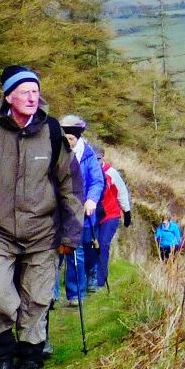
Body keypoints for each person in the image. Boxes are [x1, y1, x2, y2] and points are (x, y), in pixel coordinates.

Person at [0, 65, 83, 369]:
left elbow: (70, 187)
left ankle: (30, 359)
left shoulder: (51, 132)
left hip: (43, 233)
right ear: (9, 96)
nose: (33, 97)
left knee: (37, 300)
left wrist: (72, 234)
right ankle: (3, 358)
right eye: (25, 92)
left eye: (36, 91)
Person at [58, 114, 104, 308]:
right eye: (65, 137)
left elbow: (97, 181)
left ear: (77, 137)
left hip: (81, 211)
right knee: (53, 253)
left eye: (71, 138)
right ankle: (49, 294)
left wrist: (92, 200)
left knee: (76, 252)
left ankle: (76, 293)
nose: (68, 141)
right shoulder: (55, 150)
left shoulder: (88, 154)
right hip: (58, 209)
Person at [91, 144, 132, 291]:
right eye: (93, 158)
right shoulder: (87, 171)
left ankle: (100, 280)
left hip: (110, 214)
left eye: (98, 158)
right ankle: (90, 277)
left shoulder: (111, 173)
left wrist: (127, 212)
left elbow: (121, 192)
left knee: (103, 244)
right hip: (92, 215)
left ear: (102, 158)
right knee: (90, 246)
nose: (95, 161)